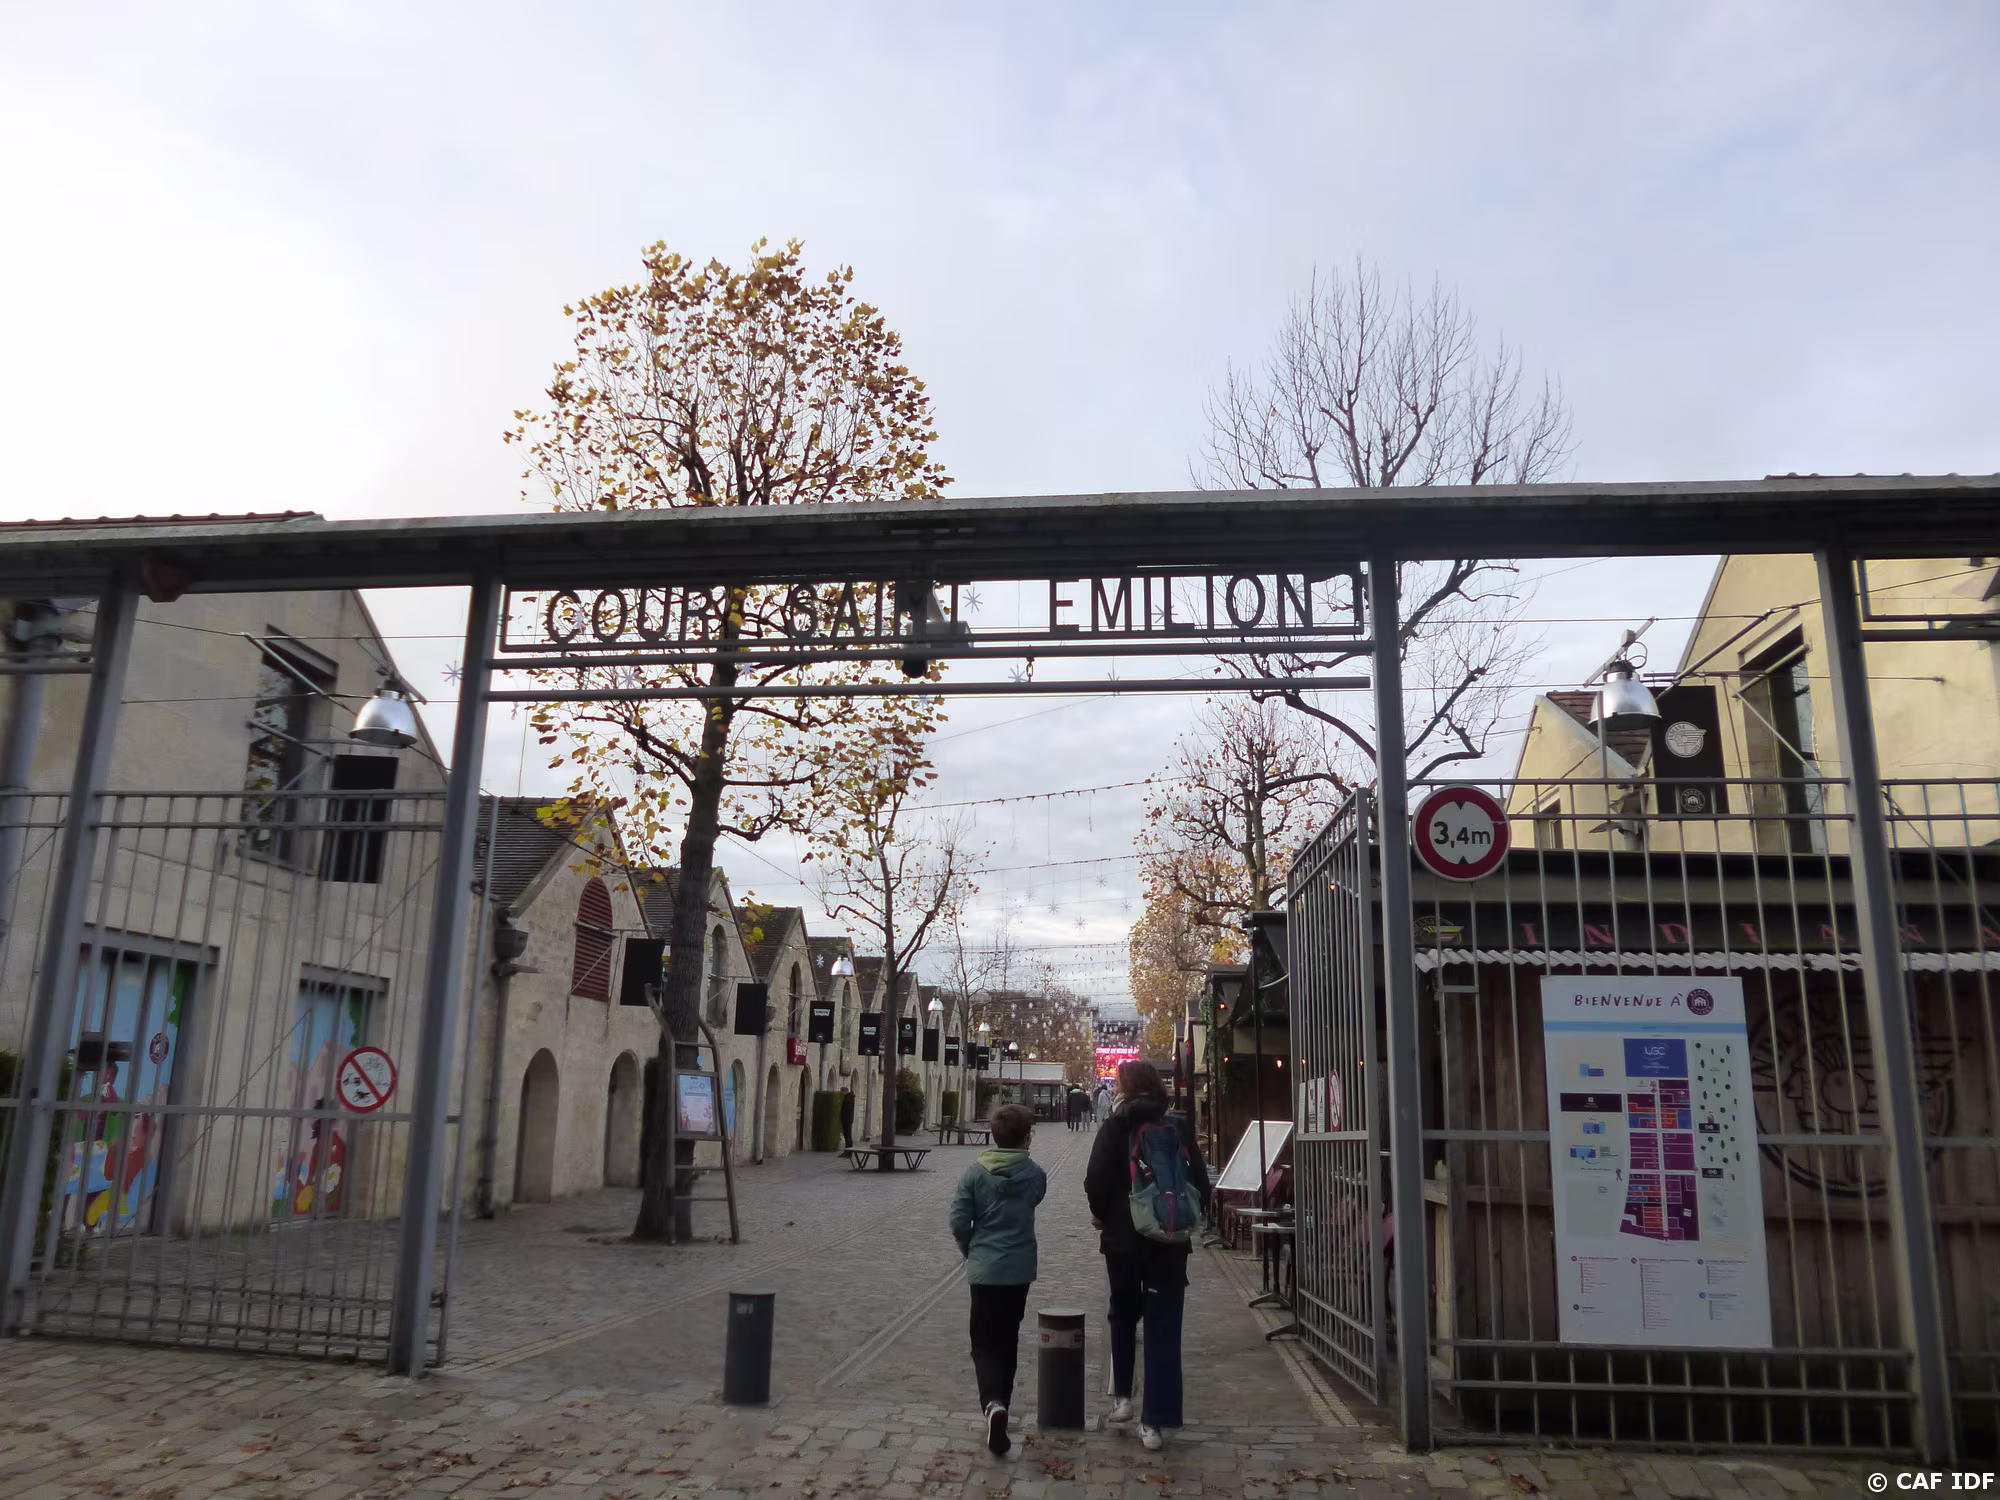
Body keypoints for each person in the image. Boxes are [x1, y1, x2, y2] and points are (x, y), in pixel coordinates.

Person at [1084, 1059, 1210, 1451]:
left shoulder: (1115, 1127)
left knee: (1122, 1313)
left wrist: (1106, 1216)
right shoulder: (1177, 1126)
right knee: (1163, 1324)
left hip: (1123, 1242)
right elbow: (1200, 1182)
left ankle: (1123, 1398)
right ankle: (1154, 1421)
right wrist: (1181, 1216)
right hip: (1168, 1242)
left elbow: (1095, 1181)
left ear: (1123, 1088)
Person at [948, 1103, 1048, 1457]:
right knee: (1008, 1338)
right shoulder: (1034, 1175)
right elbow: (1035, 1197)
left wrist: (971, 1248)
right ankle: (1002, 1402)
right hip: (1018, 1270)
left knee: (983, 1341)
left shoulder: (975, 1175)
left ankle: (993, 1405)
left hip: (985, 1269)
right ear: (1026, 1138)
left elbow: (959, 1220)